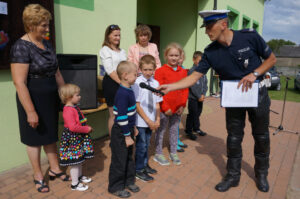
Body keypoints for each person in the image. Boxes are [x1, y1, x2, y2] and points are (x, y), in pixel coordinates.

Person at [158, 10, 276, 192]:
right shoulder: (210, 52)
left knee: (261, 137)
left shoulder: (249, 37)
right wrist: (170, 87)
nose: (206, 31)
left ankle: (261, 174)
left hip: (257, 95)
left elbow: (271, 59)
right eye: (205, 27)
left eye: (209, 26)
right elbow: (194, 77)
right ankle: (233, 176)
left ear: (223, 24)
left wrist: (254, 74)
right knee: (234, 139)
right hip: (234, 99)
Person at [10, 4, 68, 193]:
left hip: (51, 97)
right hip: (32, 98)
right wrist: (31, 111)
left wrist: (66, 96)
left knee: (50, 135)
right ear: (31, 25)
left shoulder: (47, 43)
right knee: (34, 139)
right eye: (43, 25)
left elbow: (57, 72)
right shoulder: (21, 46)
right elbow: (19, 83)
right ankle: (37, 175)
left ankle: (55, 168)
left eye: (48, 24)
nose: (47, 28)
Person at [108, 61, 140, 198]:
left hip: (128, 130)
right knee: (119, 159)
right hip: (121, 132)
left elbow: (130, 114)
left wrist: (134, 128)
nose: (137, 76)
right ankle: (115, 187)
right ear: (125, 75)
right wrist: (127, 136)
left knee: (128, 157)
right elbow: (121, 118)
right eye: (135, 74)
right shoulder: (122, 93)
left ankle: (128, 181)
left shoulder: (129, 90)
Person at [153, 43, 189, 166]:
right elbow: (158, 92)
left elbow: (185, 89)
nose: (174, 58)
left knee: (174, 130)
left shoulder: (183, 71)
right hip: (165, 109)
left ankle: (173, 151)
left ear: (180, 57)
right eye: (171, 55)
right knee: (161, 131)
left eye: (176, 55)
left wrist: (182, 105)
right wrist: (165, 107)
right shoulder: (160, 71)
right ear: (166, 56)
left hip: (178, 108)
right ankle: (158, 153)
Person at [132, 55, 162, 182]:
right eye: (145, 69)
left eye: (151, 69)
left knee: (147, 144)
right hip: (141, 121)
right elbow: (137, 105)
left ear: (154, 68)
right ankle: (138, 170)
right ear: (140, 69)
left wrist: (157, 119)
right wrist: (148, 121)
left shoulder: (156, 83)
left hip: (152, 121)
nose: (148, 72)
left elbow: (157, 103)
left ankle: (144, 165)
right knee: (141, 146)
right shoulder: (137, 83)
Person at [58, 84, 94, 191]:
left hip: (78, 138)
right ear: (69, 97)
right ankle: (74, 184)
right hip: (73, 139)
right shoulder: (68, 110)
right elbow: (73, 127)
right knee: (75, 161)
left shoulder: (74, 107)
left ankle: (79, 177)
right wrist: (86, 129)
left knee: (79, 159)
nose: (80, 97)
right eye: (77, 95)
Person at [99, 24, 127, 136]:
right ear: (108, 36)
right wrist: (121, 83)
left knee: (123, 113)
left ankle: (121, 136)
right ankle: (113, 141)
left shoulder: (122, 51)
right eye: (115, 35)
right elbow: (110, 70)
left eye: (119, 35)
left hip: (123, 83)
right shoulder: (105, 50)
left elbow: (126, 66)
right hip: (112, 83)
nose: (118, 38)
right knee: (113, 115)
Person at [185, 51, 208, 140]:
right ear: (194, 60)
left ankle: (196, 128)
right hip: (193, 98)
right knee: (192, 114)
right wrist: (198, 96)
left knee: (198, 113)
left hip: (200, 97)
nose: (201, 62)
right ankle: (188, 130)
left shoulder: (203, 71)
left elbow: (205, 83)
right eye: (199, 60)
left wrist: (203, 94)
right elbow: (192, 86)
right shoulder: (192, 71)